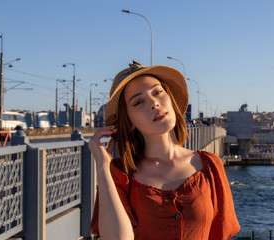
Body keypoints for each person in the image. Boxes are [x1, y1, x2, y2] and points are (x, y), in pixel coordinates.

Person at [88, 61, 240, 240]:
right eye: (138, 102)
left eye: (157, 92)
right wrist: (102, 167)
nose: (154, 103)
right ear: (129, 122)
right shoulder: (120, 174)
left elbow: (220, 234)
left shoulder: (210, 166)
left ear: (170, 99)